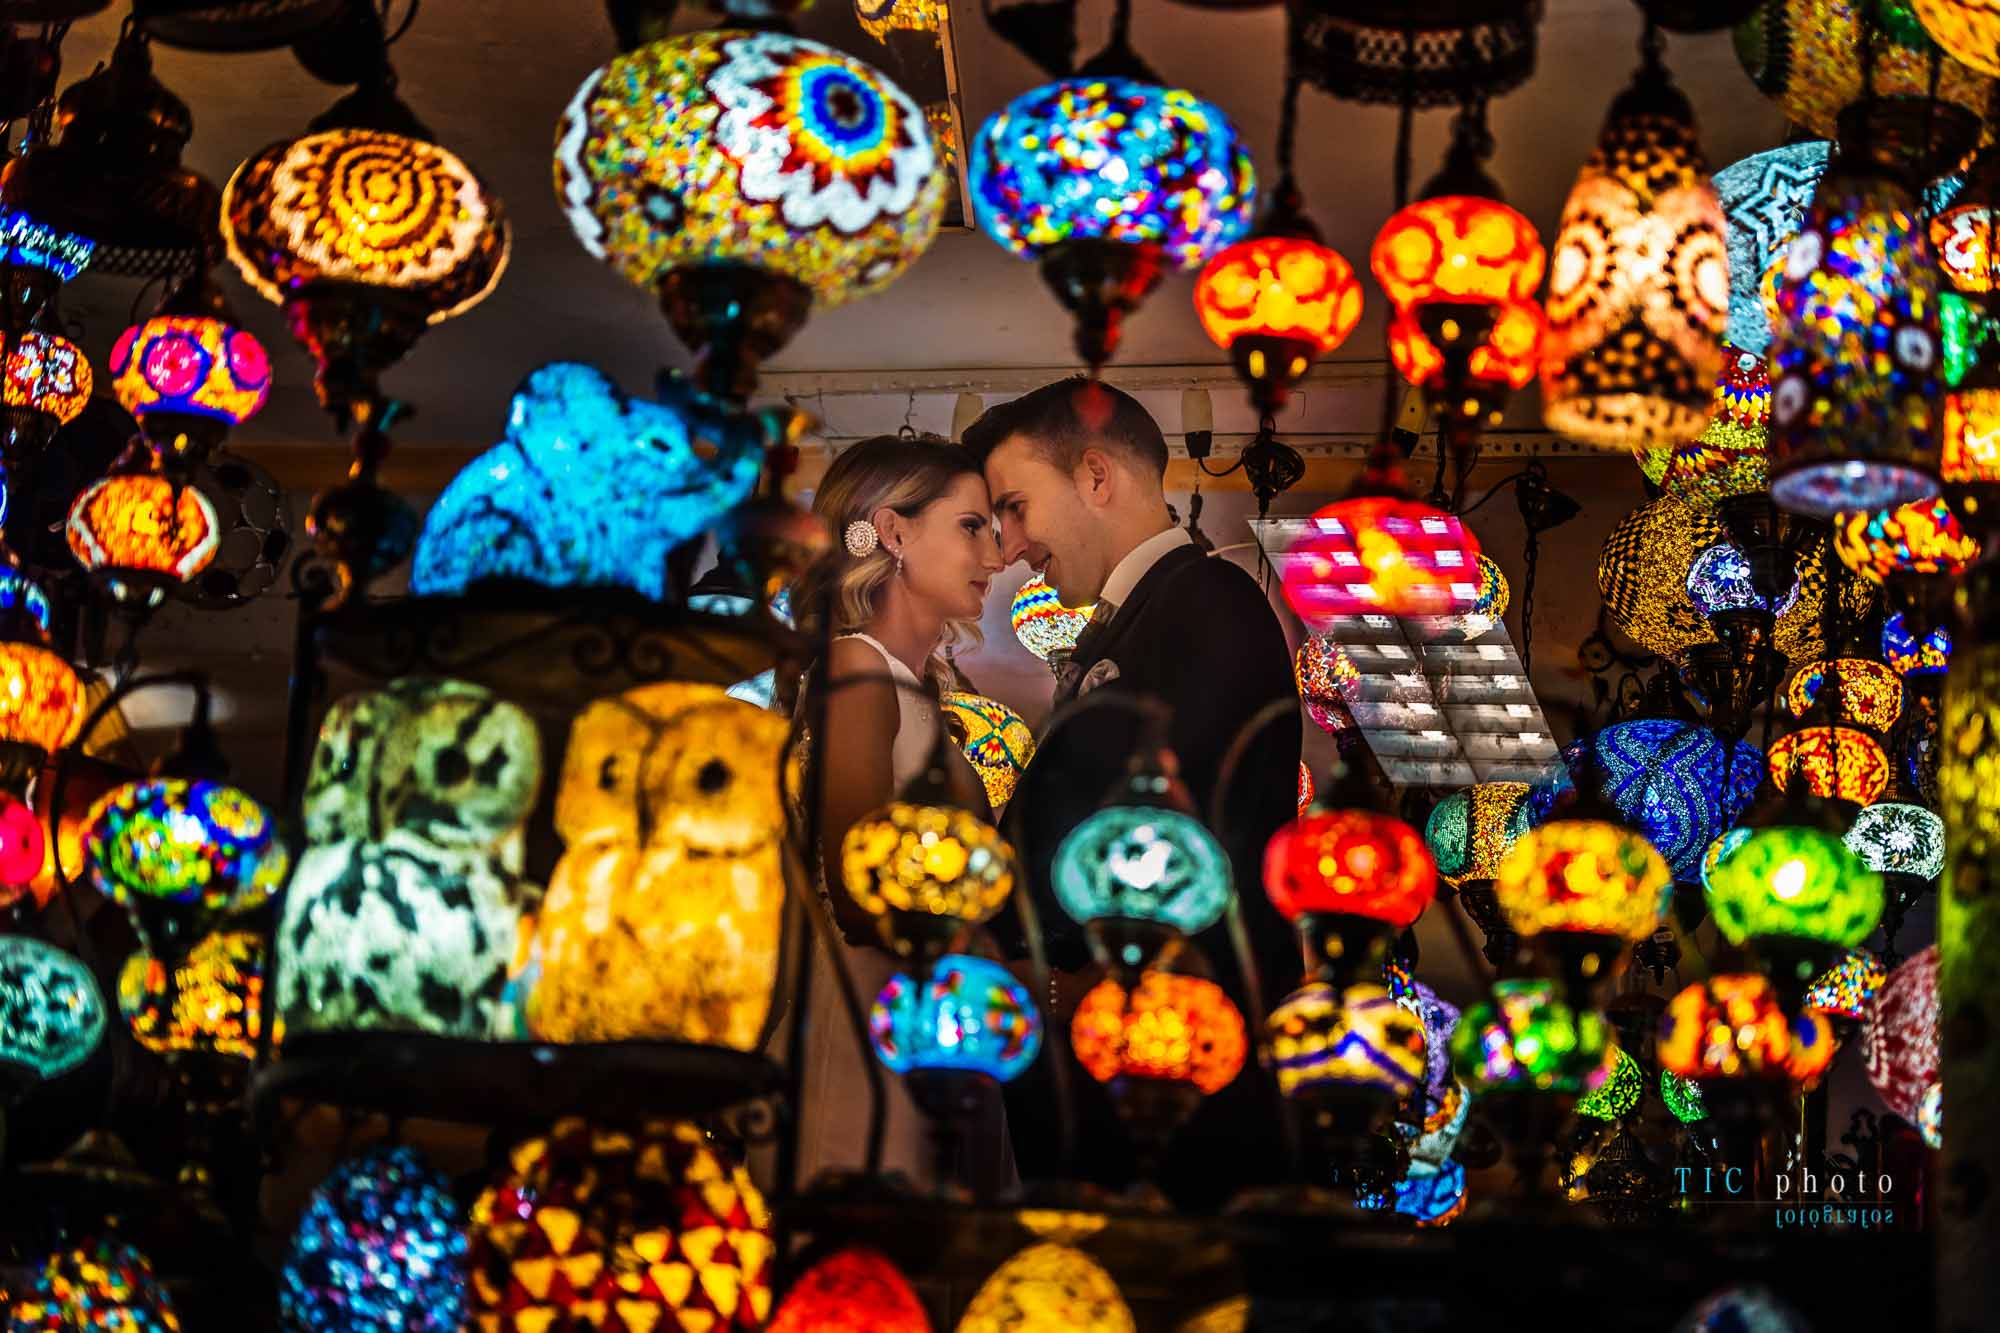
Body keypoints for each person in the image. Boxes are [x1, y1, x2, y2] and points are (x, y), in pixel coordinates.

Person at [962, 377, 1303, 1211]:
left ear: (1095, 476)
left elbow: (1179, 835)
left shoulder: (1211, 602)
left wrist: (1050, 987)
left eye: (1014, 506)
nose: (1008, 547)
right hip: (1108, 1077)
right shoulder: (1143, 616)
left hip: (1173, 1085)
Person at [784, 434, 1008, 1193]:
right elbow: (856, 884)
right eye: (973, 525)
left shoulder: (930, 690)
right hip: (867, 1026)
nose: (998, 553)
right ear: (893, 531)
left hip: (923, 1019)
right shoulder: (854, 665)